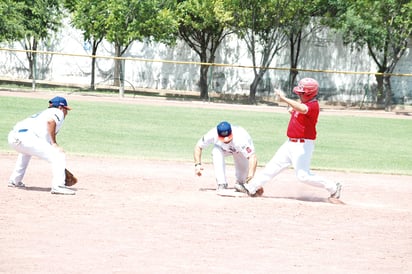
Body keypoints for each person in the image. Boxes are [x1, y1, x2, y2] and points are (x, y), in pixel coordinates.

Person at [235, 78, 342, 199]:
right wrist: (288, 106)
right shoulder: (303, 104)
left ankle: (333, 187)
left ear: (309, 93)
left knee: (303, 176)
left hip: (302, 146)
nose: (299, 94)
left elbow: (302, 109)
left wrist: (284, 98)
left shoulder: (313, 105)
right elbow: (296, 111)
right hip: (289, 143)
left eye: (302, 93)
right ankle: (251, 188)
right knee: (272, 167)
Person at [7, 96, 76, 195]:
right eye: (66, 109)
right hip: (27, 138)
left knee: (26, 153)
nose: (66, 113)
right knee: (58, 155)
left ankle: (15, 181)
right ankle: (58, 186)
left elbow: (43, 143)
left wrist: (60, 168)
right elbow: (51, 122)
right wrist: (54, 144)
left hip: (13, 137)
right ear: (61, 107)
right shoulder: (57, 112)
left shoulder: (43, 114)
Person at [194, 121, 257, 192]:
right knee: (216, 151)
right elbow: (198, 146)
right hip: (223, 149)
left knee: (241, 183)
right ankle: (222, 183)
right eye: (223, 139)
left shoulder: (240, 138)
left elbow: (252, 157)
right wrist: (197, 165)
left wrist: (251, 175)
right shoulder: (213, 134)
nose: (226, 141)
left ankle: (240, 182)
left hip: (240, 151)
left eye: (228, 138)